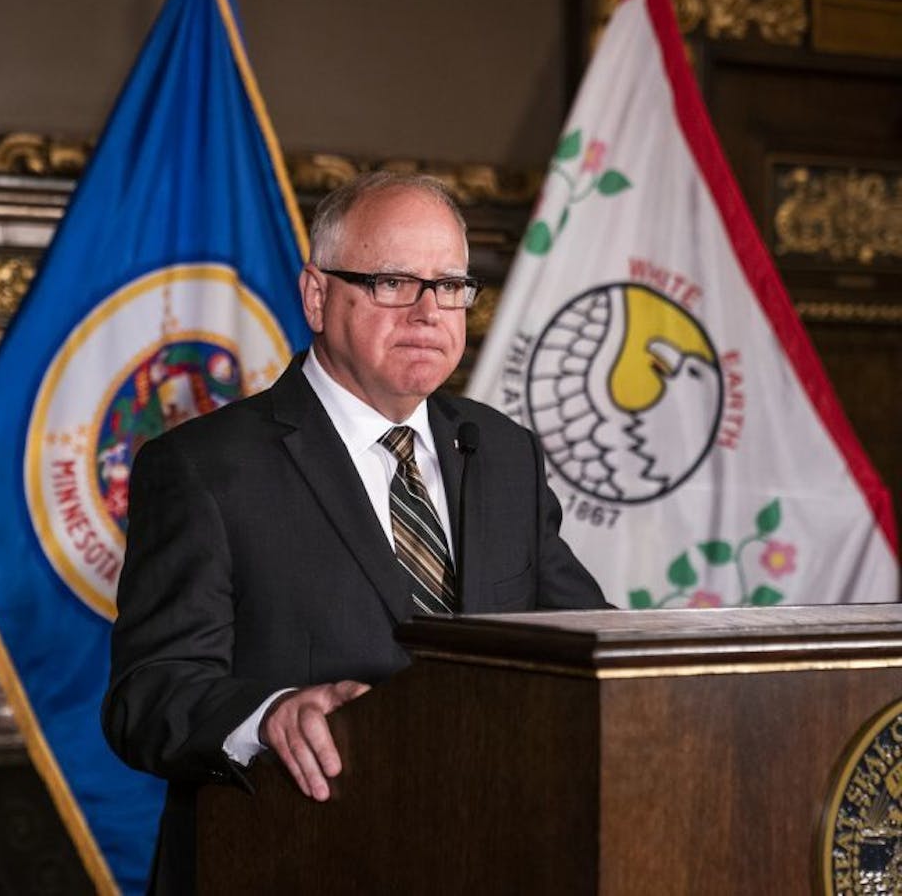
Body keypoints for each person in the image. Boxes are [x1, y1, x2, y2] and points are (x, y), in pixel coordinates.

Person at [102, 171, 609, 893]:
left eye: (452, 285)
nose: (430, 312)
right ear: (316, 295)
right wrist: (269, 715)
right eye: (394, 282)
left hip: (489, 855)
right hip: (289, 859)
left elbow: (587, 644)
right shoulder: (203, 468)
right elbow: (146, 697)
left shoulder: (504, 454)